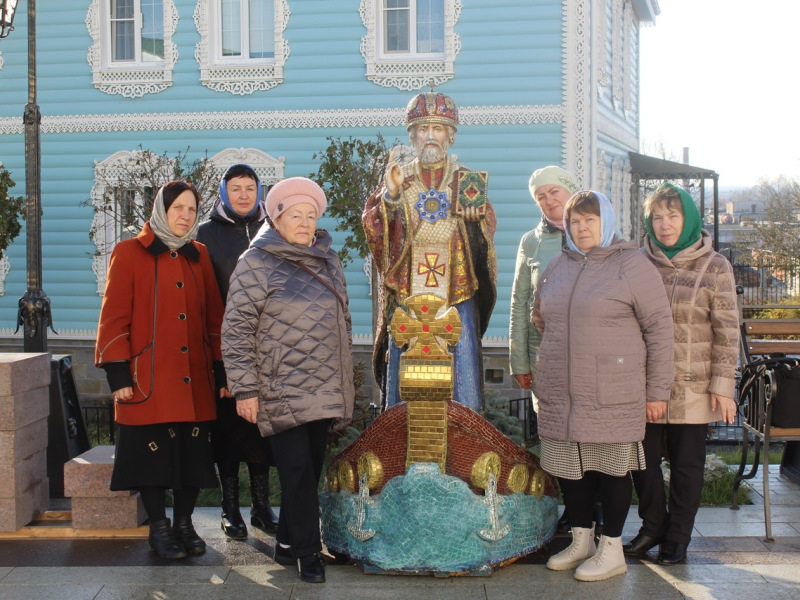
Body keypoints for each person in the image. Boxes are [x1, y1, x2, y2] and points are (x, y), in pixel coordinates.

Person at [532, 191, 674, 581]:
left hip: (612, 389)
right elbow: (540, 316)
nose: (582, 227)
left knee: (611, 470)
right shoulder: (559, 264)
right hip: (563, 391)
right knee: (571, 469)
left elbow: (660, 329)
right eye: (575, 221)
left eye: (589, 220)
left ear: (606, 222)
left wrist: (658, 390)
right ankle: (582, 540)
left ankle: (612, 549)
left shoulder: (632, 264)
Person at [222, 177, 355, 584]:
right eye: (295, 215)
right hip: (280, 387)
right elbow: (237, 330)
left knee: (309, 469)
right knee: (296, 471)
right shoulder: (256, 262)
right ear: (277, 219)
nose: (304, 223)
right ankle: (307, 552)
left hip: (323, 384)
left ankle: (285, 542)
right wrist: (245, 388)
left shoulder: (328, 260)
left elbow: (343, 324)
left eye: (310, 216)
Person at [95, 181, 225, 560]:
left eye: (190, 209)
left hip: (194, 377)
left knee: (192, 455)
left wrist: (221, 373)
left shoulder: (199, 254)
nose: (185, 216)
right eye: (177, 208)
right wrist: (117, 374)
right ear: (161, 210)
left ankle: (184, 525)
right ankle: (159, 529)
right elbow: (113, 317)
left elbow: (214, 320)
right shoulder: (129, 252)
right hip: (146, 378)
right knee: (151, 458)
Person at [623, 183, 739, 565]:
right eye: (657, 217)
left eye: (673, 215)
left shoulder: (715, 266)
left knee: (688, 465)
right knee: (642, 458)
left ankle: (678, 537)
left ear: (687, 218)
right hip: (647, 384)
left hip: (696, 386)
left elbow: (727, 332)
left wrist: (724, 386)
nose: (665, 224)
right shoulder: (637, 262)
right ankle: (653, 524)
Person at [363, 90, 497, 411]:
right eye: (423, 130)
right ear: (413, 136)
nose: (430, 137)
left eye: (438, 130)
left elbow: (486, 236)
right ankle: (401, 438)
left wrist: (475, 224)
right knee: (407, 378)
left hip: (456, 292)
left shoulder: (466, 181)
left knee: (459, 371)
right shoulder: (397, 177)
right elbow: (374, 226)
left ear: (450, 136)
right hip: (410, 296)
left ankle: (463, 443)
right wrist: (391, 198)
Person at [197, 164, 279, 540]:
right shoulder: (207, 235)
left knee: (260, 432)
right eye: (236, 188)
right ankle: (231, 508)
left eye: (250, 187)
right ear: (223, 193)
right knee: (228, 435)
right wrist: (220, 368)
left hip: (269, 352)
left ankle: (261, 507)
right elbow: (206, 302)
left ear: (259, 191)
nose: (244, 195)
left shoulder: (272, 231)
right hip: (228, 350)